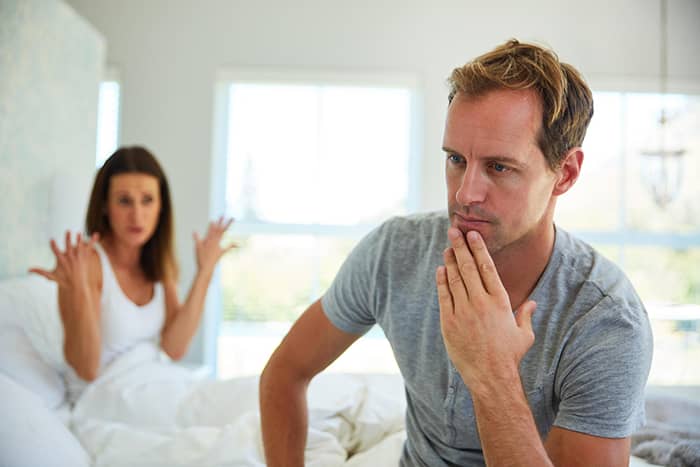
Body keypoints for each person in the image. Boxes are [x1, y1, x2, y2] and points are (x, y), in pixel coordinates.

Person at [259, 39, 653, 466]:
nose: (465, 194)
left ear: (566, 174)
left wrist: (492, 372)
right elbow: (285, 373)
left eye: (499, 167)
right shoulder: (394, 253)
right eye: (456, 160)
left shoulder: (606, 320)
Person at [30, 146, 235, 401]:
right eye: (124, 201)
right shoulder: (88, 264)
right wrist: (78, 288)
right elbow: (87, 369)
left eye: (147, 200)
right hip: (103, 396)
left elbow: (175, 348)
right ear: (105, 206)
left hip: (150, 383)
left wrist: (204, 273)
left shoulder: (157, 262)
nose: (137, 215)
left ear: (161, 206)